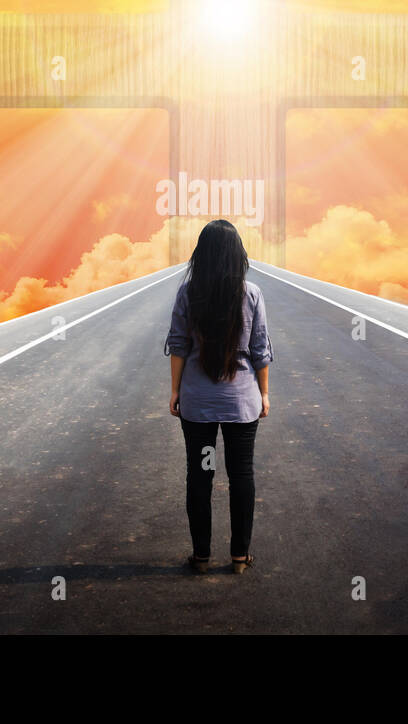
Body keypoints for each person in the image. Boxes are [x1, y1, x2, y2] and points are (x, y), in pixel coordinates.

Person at [164, 219, 273, 575]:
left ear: (203, 253)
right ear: (236, 255)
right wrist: (265, 394)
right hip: (241, 401)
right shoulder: (251, 293)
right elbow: (260, 350)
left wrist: (176, 390)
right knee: (241, 475)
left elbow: (178, 345)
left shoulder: (188, 292)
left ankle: (201, 556)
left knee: (200, 476)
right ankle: (240, 558)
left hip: (199, 403)